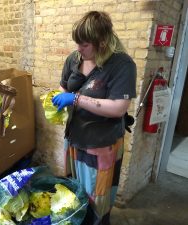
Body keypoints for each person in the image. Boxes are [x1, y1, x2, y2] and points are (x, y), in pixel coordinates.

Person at [52, 11, 136, 225]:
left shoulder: (122, 64)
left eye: (84, 44)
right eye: (77, 43)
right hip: (74, 138)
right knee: (73, 192)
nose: (78, 49)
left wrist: (76, 99)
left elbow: (118, 108)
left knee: (96, 200)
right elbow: (64, 86)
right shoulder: (74, 58)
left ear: (102, 42)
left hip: (100, 144)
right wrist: (57, 98)